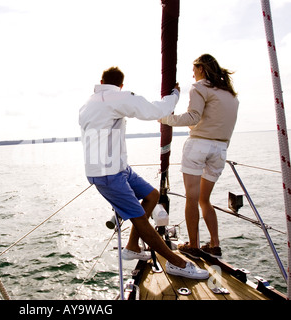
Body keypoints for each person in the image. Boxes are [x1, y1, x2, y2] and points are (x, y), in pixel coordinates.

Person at [79, 66, 209, 280]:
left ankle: (132, 246)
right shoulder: (115, 97)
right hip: (109, 175)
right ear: (121, 85)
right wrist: (174, 95)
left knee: (152, 196)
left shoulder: (88, 103)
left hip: (117, 169)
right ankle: (177, 263)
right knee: (140, 220)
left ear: (101, 80)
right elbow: (155, 111)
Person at [159, 54, 239, 259]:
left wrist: (164, 118)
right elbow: (212, 121)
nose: (192, 74)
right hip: (220, 150)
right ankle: (214, 245)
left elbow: (193, 117)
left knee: (192, 198)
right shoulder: (230, 95)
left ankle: (193, 245)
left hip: (198, 147)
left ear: (201, 68)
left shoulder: (199, 87)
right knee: (205, 199)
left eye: (194, 69)